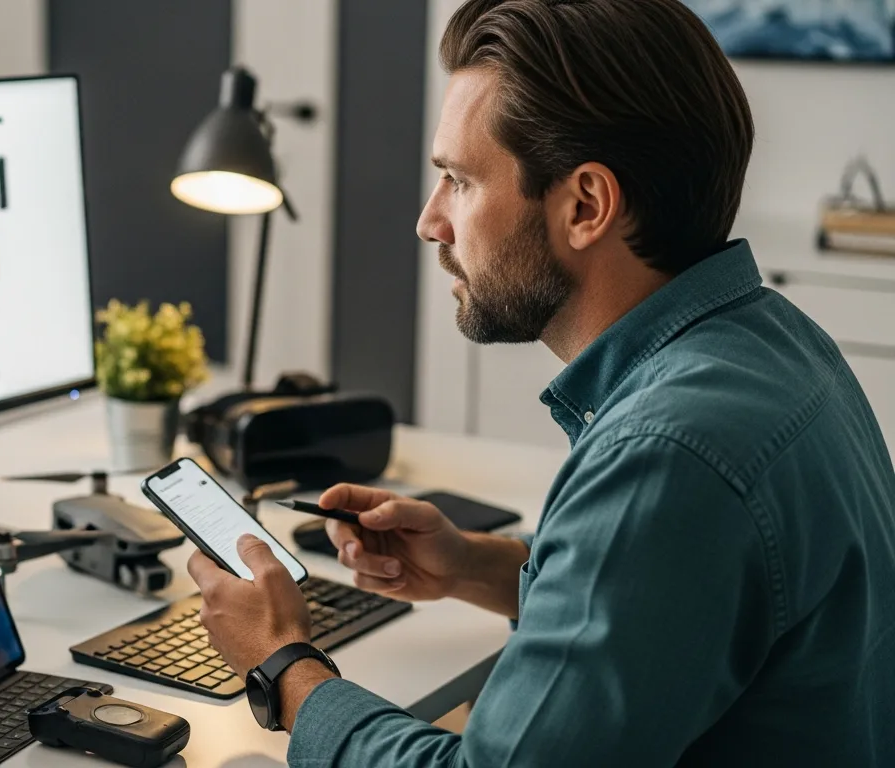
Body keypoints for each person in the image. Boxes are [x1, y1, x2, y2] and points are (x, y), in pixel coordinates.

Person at [186, 0, 895, 765]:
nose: (430, 222)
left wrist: (285, 663)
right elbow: (674, 604)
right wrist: (480, 565)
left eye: (458, 180)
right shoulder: (776, 343)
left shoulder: (669, 453)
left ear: (586, 205)